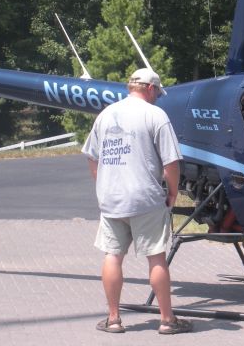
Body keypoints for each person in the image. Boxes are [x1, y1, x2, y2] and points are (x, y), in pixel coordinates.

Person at [81, 68, 191, 335]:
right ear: (151, 89)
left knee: (113, 255)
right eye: (157, 93)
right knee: (156, 258)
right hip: (145, 199)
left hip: (111, 200)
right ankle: (167, 320)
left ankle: (114, 319)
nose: (157, 98)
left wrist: (104, 185)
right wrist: (173, 192)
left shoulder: (106, 115)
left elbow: (92, 157)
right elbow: (171, 163)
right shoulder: (156, 115)